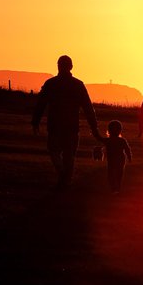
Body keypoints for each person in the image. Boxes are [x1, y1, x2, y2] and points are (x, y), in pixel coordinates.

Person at [31, 55, 103, 189]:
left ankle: (62, 175)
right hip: (71, 127)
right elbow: (88, 107)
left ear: (58, 66)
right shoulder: (77, 85)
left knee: (54, 152)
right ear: (71, 67)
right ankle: (65, 178)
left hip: (55, 126)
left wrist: (35, 121)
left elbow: (41, 104)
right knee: (69, 155)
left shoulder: (51, 83)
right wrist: (93, 127)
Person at [103, 120, 132, 194]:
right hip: (121, 159)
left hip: (111, 160)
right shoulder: (122, 140)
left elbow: (100, 140)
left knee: (111, 173)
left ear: (109, 130)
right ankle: (117, 188)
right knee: (119, 173)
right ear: (120, 130)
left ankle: (113, 188)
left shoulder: (108, 140)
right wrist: (129, 158)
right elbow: (127, 149)